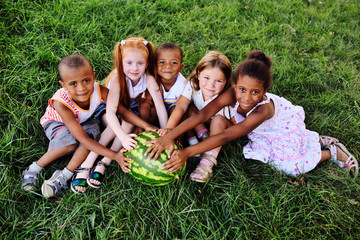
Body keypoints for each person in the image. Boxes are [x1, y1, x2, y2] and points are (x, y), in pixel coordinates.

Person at [145, 50, 359, 178]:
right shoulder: (232, 94)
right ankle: (316, 140)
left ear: (265, 92)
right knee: (227, 124)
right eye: (242, 90)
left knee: (290, 166)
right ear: (234, 85)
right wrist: (168, 136)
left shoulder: (262, 109)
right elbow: (201, 115)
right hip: (255, 128)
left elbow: (225, 136)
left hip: (278, 127)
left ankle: (332, 152)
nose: (246, 98)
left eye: (255, 92)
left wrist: (187, 153)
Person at [21, 54, 135, 198]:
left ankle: (64, 176)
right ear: (63, 85)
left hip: (83, 121)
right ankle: (34, 168)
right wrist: (114, 155)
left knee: (93, 137)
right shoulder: (61, 103)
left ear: (93, 77)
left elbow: (123, 111)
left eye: (86, 80)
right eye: (73, 84)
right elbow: (82, 139)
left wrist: (147, 126)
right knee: (72, 144)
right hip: (57, 122)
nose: (81, 88)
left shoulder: (101, 91)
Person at [71, 37, 167, 193]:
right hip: (106, 112)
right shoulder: (117, 79)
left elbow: (160, 107)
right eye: (129, 63)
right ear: (121, 62)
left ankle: (105, 162)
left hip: (128, 114)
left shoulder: (148, 79)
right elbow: (110, 113)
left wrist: (166, 133)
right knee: (115, 128)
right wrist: (122, 137)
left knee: (128, 122)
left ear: (147, 63)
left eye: (140, 63)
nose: (134, 68)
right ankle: (87, 164)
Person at [153, 51, 233, 182]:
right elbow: (180, 107)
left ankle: (207, 161)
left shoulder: (225, 98)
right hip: (201, 122)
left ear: (226, 81)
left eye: (218, 81)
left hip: (219, 129)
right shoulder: (192, 85)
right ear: (198, 74)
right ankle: (198, 140)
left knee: (218, 120)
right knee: (187, 108)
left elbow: (230, 128)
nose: (211, 85)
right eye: (207, 78)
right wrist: (169, 130)